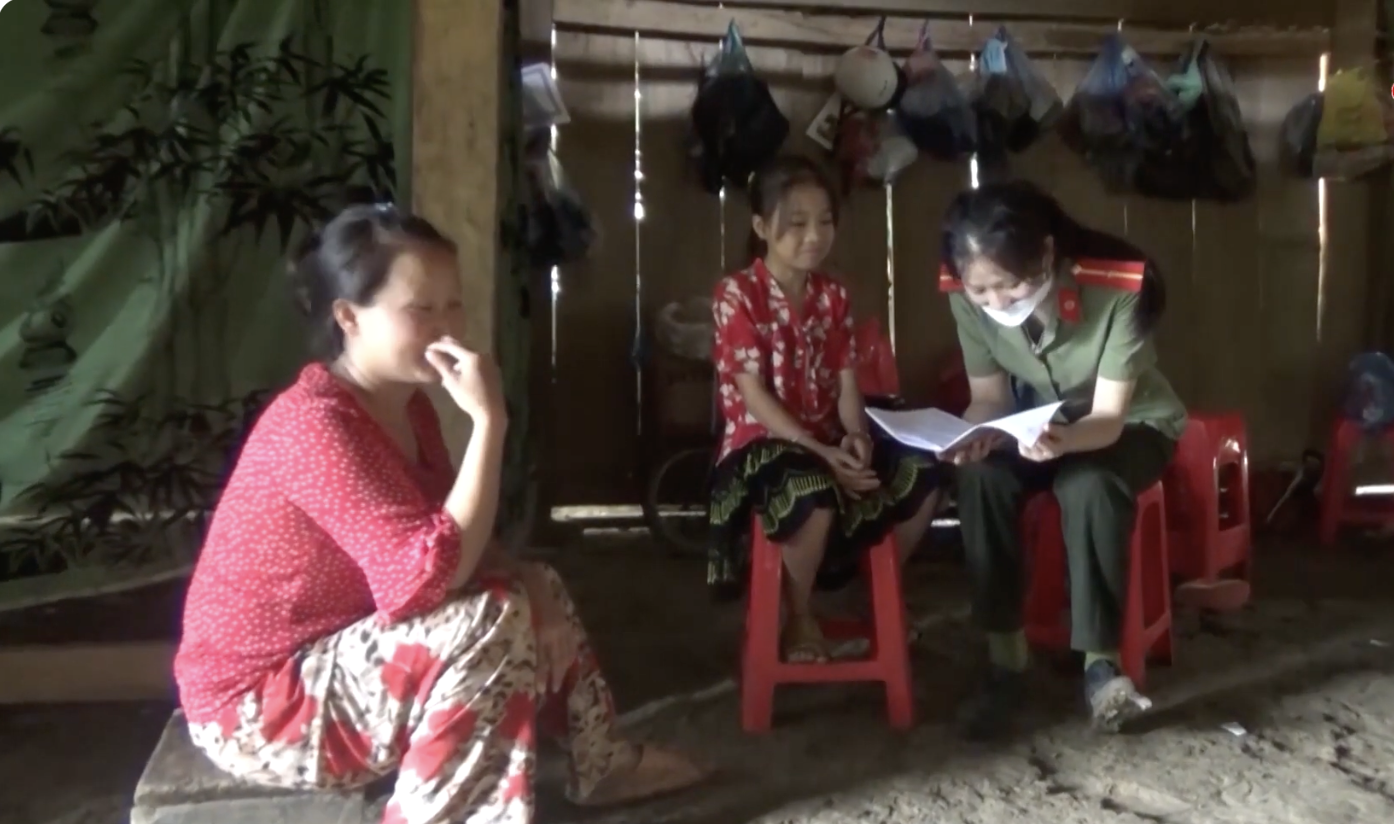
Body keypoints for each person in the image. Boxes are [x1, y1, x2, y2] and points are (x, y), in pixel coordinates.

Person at [174, 204, 706, 824]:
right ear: (349, 318)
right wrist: (489, 422)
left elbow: (455, 535)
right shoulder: (317, 423)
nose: (446, 326)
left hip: (337, 656)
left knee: (535, 585)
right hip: (258, 708)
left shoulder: (407, 407)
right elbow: (427, 580)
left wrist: (531, 580)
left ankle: (601, 763)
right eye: (420, 309)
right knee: (487, 620)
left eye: (453, 305)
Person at [937, 180, 1188, 737]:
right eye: (982, 292)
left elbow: (1108, 418)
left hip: (1129, 425)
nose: (997, 303)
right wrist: (974, 435)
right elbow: (990, 399)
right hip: (1033, 424)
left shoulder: (1118, 287)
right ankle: (1006, 659)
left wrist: (1061, 443)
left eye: (1011, 284)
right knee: (979, 477)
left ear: (1046, 253)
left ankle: (1102, 669)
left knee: (1088, 482)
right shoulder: (963, 292)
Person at [707, 155, 946, 663]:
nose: (814, 236)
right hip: (762, 442)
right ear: (761, 227)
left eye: (824, 221)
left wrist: (855, 437)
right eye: (796, 224)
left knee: (923, 471)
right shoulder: (737, 294)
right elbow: (752, 395)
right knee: (809, 487)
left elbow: (846, 380)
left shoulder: (832, 295)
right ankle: (799, 615)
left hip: (828, 434)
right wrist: (820, 451)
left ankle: (874, 592)